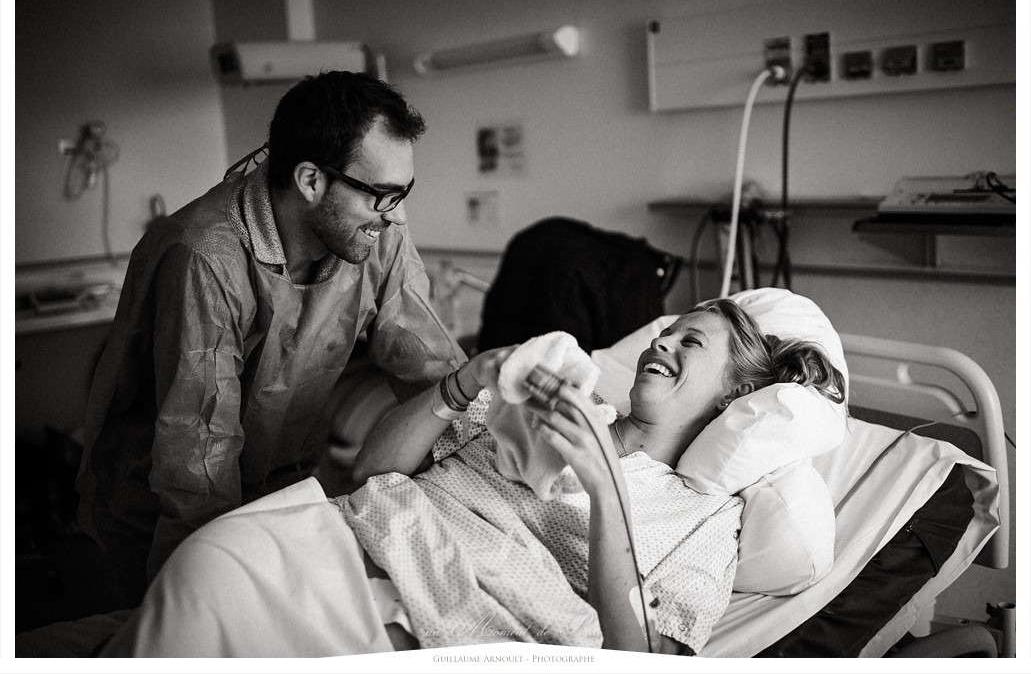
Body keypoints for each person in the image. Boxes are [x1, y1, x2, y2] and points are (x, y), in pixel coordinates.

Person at [103, 297, 846, 657]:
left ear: (732, 396)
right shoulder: (552, 400)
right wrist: (467, 381)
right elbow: (372, 468)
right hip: (348, 539)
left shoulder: (705, 516)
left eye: (692, 343)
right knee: (207, 563)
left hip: (440, 614)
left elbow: (647, 658)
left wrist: (604, 486)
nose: (663, 343)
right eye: (667, 331)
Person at [75, 71, 469, 604]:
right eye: (382, 195)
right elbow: (198, 451)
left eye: (404, 192)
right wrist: (219, 577)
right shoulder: (205, 256)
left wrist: (492, 417)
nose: (397, 215)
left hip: (286, 483)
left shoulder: (376, 234)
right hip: (167, 504)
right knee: (193, 617)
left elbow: (428, 360)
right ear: (310, 181)